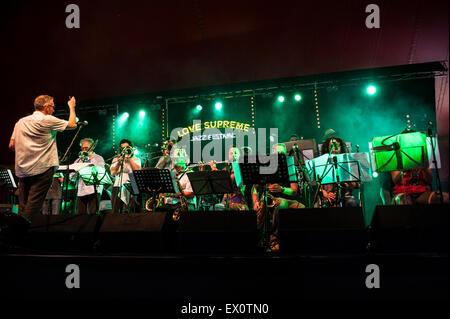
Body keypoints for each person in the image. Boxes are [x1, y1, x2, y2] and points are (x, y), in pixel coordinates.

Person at [9, 95, 77, 223]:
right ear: (46, 108)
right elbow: (72, 124)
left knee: (23, 204)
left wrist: (26, 151)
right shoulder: (47, 120)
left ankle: (20, 233)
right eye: (52, 106)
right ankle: (19, 232)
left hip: (23, 169)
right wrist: (71, 107)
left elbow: (12, 145)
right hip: (42, 168)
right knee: (33, 205)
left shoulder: (20, 122)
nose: (53, 109)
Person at [252, 143, 305, 251]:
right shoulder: (266, 167)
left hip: (287, 199)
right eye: (277, 153)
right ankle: (274, 239)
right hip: (270, 199)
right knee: (282, 203)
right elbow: (255, 189)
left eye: (281, 153)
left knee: (302, 208)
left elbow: (294, 191)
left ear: (285, 154)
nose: (279, 156)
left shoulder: (290, 168)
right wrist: (255, 202)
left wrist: (282, 189)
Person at [319, 136, 359, 207]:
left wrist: (347, 183)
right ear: (327, 148)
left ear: (341, 148)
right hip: (328, 197)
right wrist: (326, 194)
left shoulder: (348, 162)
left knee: (352, 203)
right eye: (332, 146)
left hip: (345, 197)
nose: (334, 148)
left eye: (337, 146)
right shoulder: (322, 164)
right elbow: (319, 186)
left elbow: (357, 184)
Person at [71, 138, 105, 214]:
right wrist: (76, 173)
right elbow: (71, 177)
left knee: (93, 214)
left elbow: (100, 172)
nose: (84, 150)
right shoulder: (78, 160)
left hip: (94, 189)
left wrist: (90, 159)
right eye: (82, 148)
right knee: (80, 215)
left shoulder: (98, 158)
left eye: (86, 148)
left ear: (92, 147)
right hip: (81, 190)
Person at [209, 146, 249, 211]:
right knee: (213, 208)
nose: (233, 155)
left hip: (238, 201)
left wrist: (214, 169)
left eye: (235, 153)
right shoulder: (227, 168)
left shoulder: (242, 168)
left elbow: (231, 181)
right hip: (226, 200)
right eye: (231, 153)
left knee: (217, 208)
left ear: (240, 155)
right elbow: (218, 183)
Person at [110, 139, 141, 213]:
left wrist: (129, 159)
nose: (125, 150)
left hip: (133, 184)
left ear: (130, 148)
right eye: (123, 148)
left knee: (132, 208)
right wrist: (118, 163)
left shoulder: (136, 159)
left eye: (126, 147)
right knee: (116, 208)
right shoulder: (116, 159)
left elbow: (137, 171)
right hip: (118, 184)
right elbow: (112, 173)